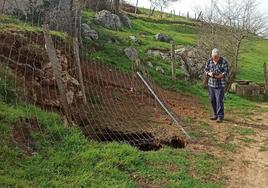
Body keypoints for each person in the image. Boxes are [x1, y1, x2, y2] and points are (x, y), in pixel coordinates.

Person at [204, 48, 228, 123]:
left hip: (220, 84)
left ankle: (220, 116)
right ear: (212, 56)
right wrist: (209, 73)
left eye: (216, 57)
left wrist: (221, 75)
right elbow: (205, 69)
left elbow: (226, 71)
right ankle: (215, 115)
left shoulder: (224, 61)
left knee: (219, 100)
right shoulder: (209, 61)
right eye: (214, 57)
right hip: (211, 84)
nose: (215, 58)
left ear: (219, 56)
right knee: (212, 100)